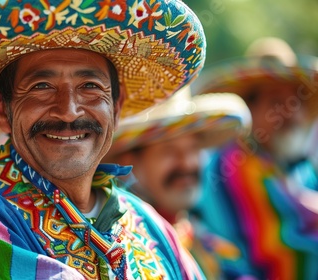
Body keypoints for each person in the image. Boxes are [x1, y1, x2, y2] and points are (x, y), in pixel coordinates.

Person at [0, 0, 208, 279]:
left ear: (116, 106)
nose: (69, 112)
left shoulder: (149, 226)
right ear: (2, 109)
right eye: (41, 86)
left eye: (90, 86)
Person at [192, 37, 318, 280]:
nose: (290, 113)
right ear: (251, 110)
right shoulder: (233, 164)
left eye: (296, 101)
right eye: (276, 102)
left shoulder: (302, 169)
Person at [102, 86, 251, 279]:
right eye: (169, 151)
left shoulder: (218, 252)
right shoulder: (118, 253)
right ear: (130, 163)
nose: (187, 163)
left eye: (193, 149)